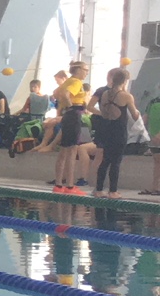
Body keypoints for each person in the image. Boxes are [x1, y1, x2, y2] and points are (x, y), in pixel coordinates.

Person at [90, 66, 135, 198]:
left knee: (105, 160)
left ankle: (98, 189)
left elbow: (103, 113)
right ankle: (113, 191)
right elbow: (134, 115)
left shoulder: (104, 94)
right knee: (116, 161)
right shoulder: (126, 96)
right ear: (125, 81)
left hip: (106, 129)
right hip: (119, 131)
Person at [51, 67, 90, 191]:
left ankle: (58, 184)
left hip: (67, 115)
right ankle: (70, 185)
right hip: (73, 115)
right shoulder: (77, 82)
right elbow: (65, 94)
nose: (87, 72)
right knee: (72, 151)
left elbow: (56, 93)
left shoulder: (68, 81)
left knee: (64, 150)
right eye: (85, 70)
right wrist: (71, 107)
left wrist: (65, 107)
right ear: (78, 70)